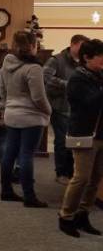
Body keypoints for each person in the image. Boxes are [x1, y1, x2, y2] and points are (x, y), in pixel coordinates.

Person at [0, 31, 52, 208]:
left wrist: (10, 104)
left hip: (11, 114)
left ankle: (6, 191)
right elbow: (38, 97)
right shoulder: (34, 68)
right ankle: (29, 196)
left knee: (9, 154)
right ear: (32, 46)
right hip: (30, 117)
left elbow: (1, 90)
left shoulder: (7, 64)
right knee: (26, 155)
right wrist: (48, 111)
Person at [58, 39, 103, 237]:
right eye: (101, 58)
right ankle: (66, 216)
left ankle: (82, 214)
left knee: (96, 178)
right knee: (81, 178)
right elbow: (89, 103)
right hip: (84, 134)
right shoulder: (77, 78)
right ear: (87, 57)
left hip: (100, 133)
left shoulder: (98, 76)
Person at [44, 34, 89, 185]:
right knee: (62, 141)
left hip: (77, 109)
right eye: (82, 46)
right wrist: (68, 84)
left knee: (74, 142)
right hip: (60, 107)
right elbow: (46, 77)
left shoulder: (83, 62)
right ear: (73, 44)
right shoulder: (56, 60)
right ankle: (61, 172)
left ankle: (71, 173)